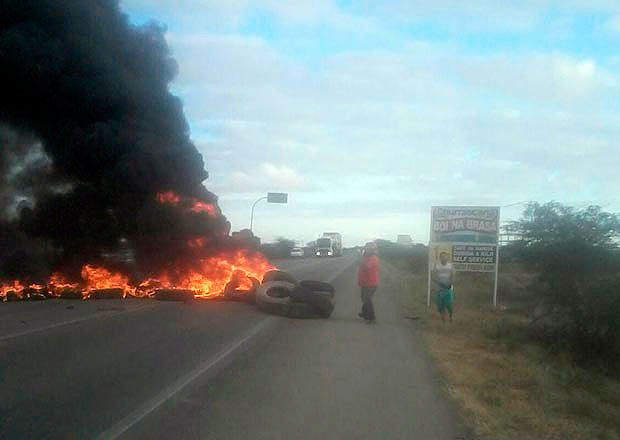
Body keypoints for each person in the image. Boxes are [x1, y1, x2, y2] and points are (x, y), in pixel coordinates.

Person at [358, 242, 379, 323]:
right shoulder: (367, 257)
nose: (365, 250)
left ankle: (371, 318)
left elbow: (367, 266)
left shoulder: (373, 258)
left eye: (367, 248)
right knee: (364, 299)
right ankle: (365, 313)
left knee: (367, 300)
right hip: (365, 282)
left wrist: (361, 259)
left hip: (370, 283)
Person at [431, 251, 454, 323]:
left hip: (448, 288)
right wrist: (438, 282)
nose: (444, 258)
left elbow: (453, 275)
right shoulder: (436, 266)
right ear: (440, 258)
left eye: (445, 256)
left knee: (449, 304)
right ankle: (443, 320)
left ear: (447, 258)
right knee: (440, 306)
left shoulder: (450, 266)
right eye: (442, 257)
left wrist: (450, 282)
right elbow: (433, 276)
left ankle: (451, 316)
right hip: (439, 288)